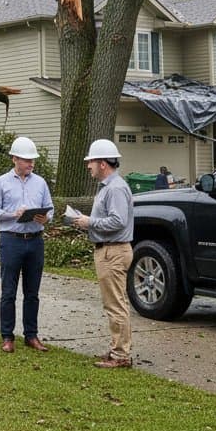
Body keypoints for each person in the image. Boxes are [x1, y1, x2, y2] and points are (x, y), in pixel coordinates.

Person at [0, 136, 53, 353]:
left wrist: (46, 218)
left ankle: (31, 335)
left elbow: (49, 209)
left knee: (32, 292)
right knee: (8, 291)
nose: (31, 164)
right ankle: (7, 336)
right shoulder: (0, 183)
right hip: (11, 240)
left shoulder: (40, 182)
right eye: (27, 160)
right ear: (15, 159)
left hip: (35, 240)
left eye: (33, 160)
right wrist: (11, 215)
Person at [73, 139, 135, 368]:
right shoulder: (108, 187)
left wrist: (89, 222)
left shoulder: (116, 188)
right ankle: (117, 349)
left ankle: (121, 355)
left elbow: (118, 221)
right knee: (113, 303)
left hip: (113, 251)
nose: (88, 166)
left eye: (90, 161)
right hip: (108, 249)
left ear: (102, 163)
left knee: (116, 304)